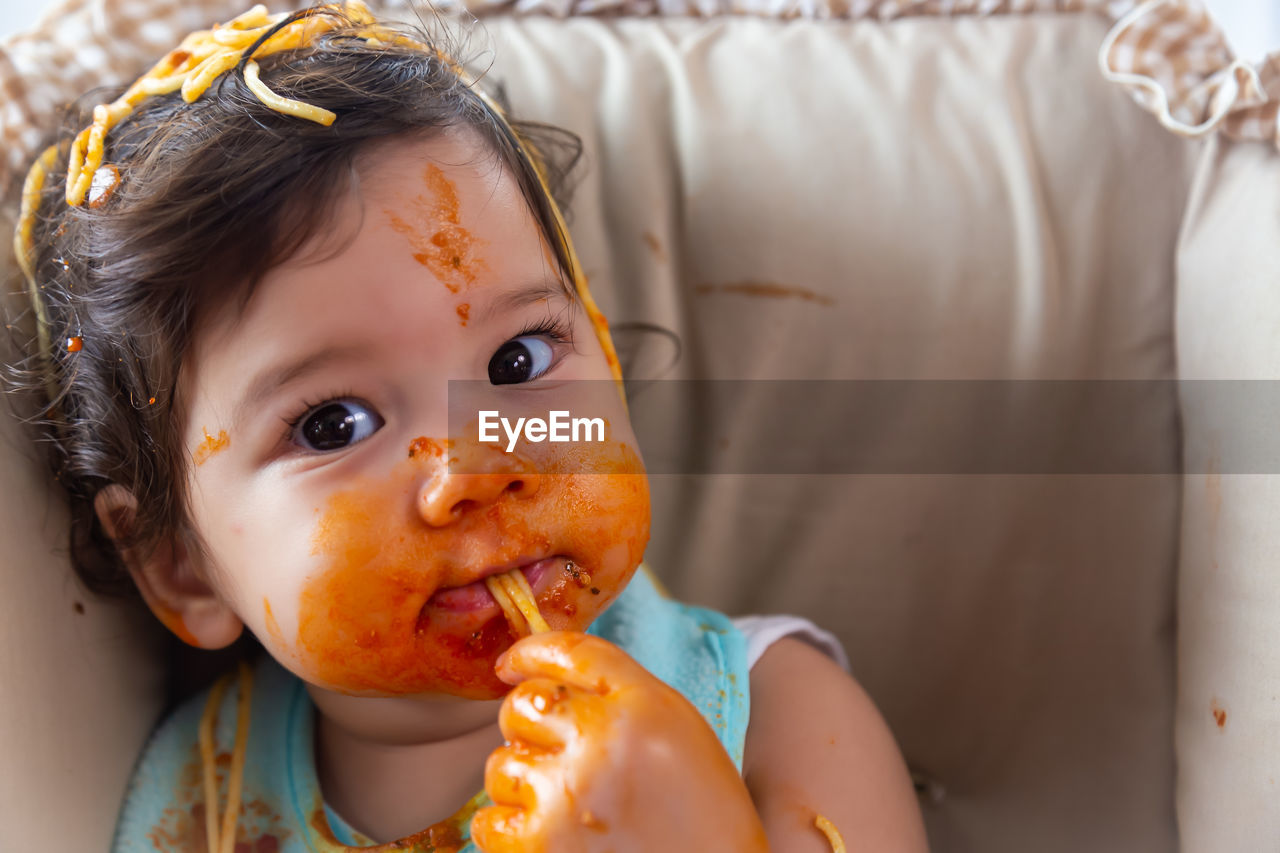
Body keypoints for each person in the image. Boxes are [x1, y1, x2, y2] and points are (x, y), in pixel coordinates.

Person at [7, 3, 927, 850]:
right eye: (333, 423)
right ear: (180, 563)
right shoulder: (197, 806)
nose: (478, 462)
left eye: (518, 361)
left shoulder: (780, 718)